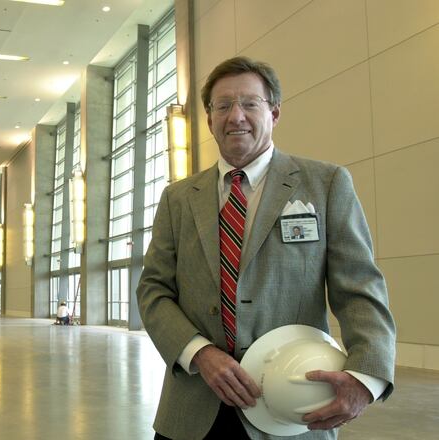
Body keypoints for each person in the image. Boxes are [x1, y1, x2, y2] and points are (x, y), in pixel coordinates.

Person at [136, 56, 396, 440]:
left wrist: (366, 377)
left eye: (249, 103)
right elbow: (153, 290)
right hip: (193, 409)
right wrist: (200, 354)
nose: (235, 116)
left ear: (274, 112)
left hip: (293, 408)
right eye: (222, 106)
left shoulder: (325, 185)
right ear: (209, 120)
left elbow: (359, 287)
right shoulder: (177, 199)